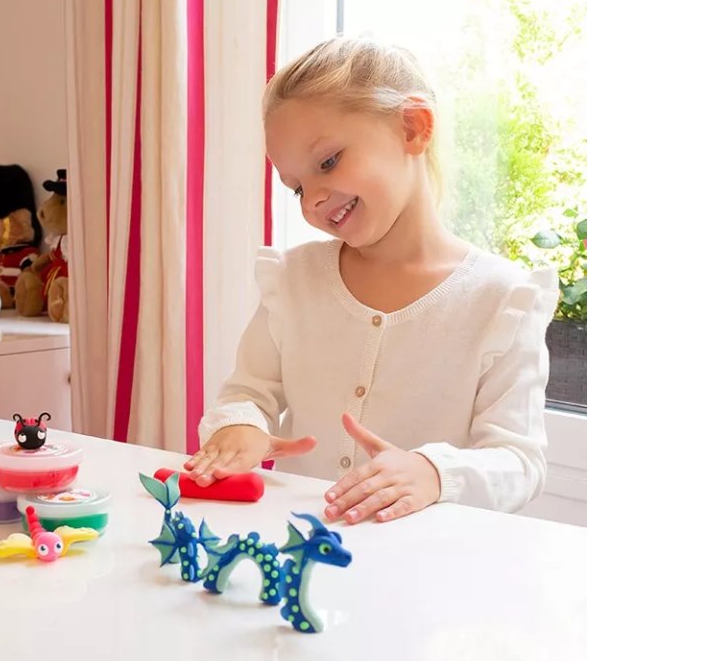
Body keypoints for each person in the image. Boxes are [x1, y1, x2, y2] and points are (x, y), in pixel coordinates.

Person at [185, 37, 560, 524]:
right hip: (299, 549)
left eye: (328, 162)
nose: (312, 200)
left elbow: (519, 462)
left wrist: (433, 473)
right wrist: (240, 425)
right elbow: (248, 391)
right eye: (297, 188)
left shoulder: (502, 298)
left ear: (413, 127)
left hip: (426, 560)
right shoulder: (294, 279)